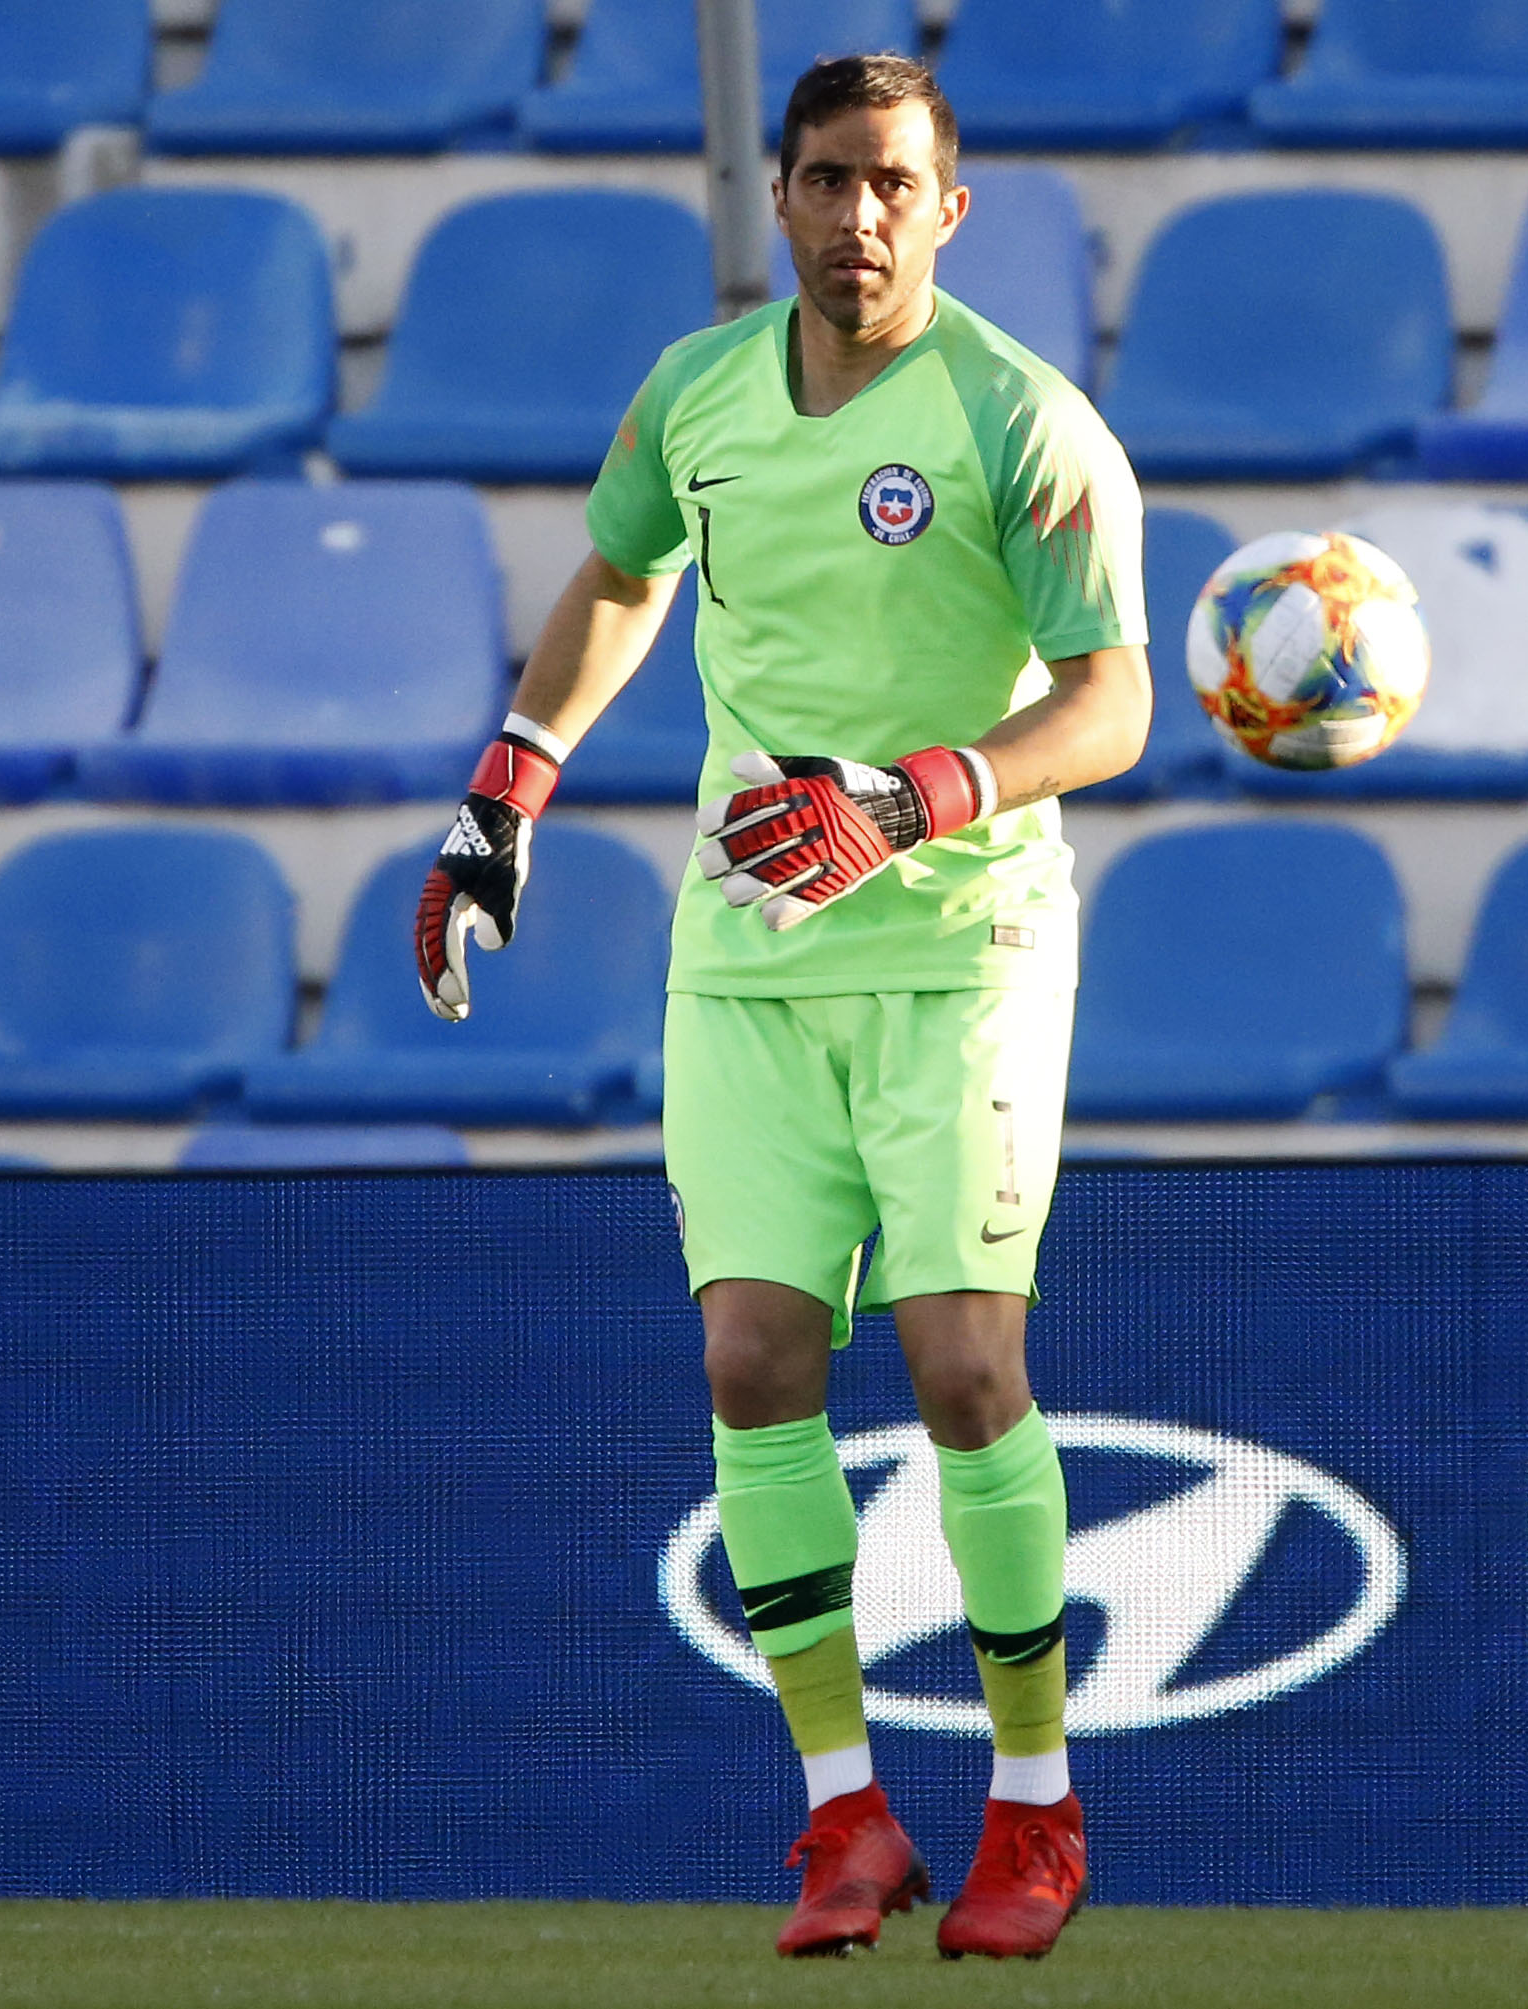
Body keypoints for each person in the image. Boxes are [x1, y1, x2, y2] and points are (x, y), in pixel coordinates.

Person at [411, 53, 1150, 1963]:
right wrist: (508, 789)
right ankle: (843, 1816)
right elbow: (617, 572)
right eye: (825, 182)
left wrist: (911, 796)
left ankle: (1036, 1804)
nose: (857, 220)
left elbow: (1111, 701)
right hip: (746, 950)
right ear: (782, 200)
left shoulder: (1025, 422)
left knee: (967, 1369)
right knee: (749, 1362)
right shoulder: (701, 394)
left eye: (894, 185)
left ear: (948, 205)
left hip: (958, 948)